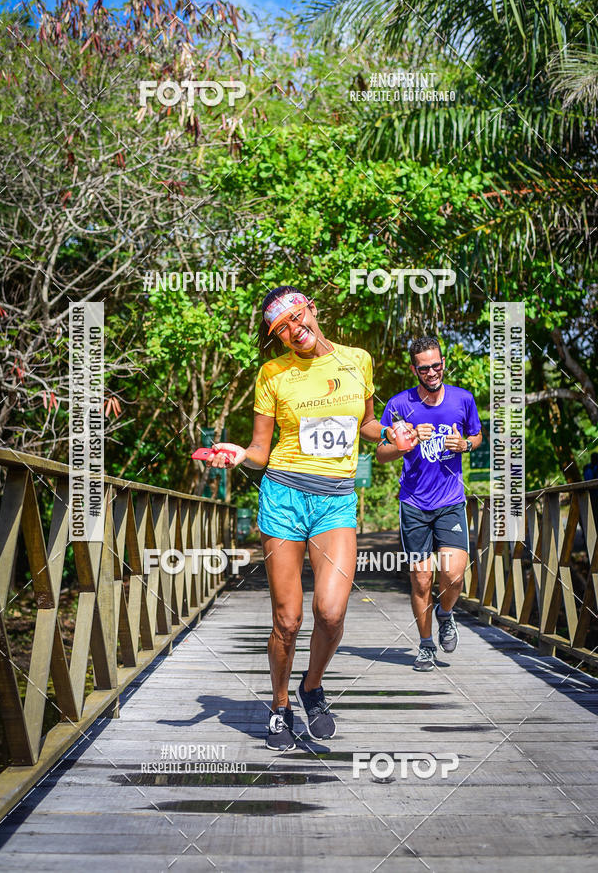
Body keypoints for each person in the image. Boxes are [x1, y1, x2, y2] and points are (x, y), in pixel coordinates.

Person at [205, 286, 401, 750]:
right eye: (283, 329)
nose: (295, 331)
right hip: (284, 497)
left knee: (331, 612)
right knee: (287, 620)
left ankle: (311, 687)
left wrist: (391, 432)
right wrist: (239, 454)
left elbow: (367, 423)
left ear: (314, 308)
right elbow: (259, 449)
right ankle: (279, 705)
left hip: (335, 500)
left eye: (298, 317)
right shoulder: (273, 374)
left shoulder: (359, 359)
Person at [376, 336, 483, 672]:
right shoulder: (398, 405)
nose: (433, 372)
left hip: (451, 500)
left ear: (443, 363)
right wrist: (405, 444)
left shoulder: (463, 399)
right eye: (425, 368)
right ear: (414, 369)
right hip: (414, 504)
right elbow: (380, 454)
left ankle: (446, 614)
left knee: (452, 574)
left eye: (437, 365)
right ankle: (425, 645)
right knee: (421, 579)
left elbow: (477, 436)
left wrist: (464, 444)